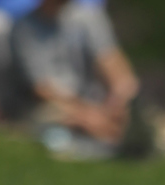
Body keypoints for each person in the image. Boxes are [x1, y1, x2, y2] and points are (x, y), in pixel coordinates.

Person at [10, 0, 139, 146]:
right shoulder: (23, 29)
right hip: (53, 106)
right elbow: (41, 89)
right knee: (54, 117)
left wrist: (118, 100)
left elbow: (111, 62)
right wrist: (86, 114)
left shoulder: (89, 17)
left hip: (95, 103)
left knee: (134, 117)